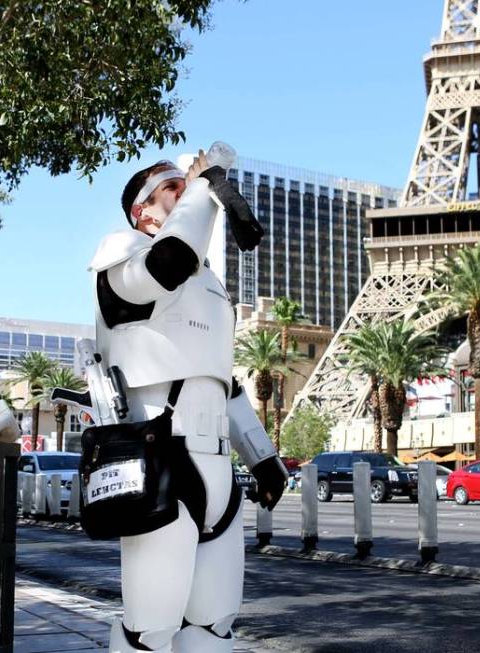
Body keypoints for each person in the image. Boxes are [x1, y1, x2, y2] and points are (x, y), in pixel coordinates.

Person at [90, 151, 286, 652]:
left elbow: (222, 381)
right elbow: (167, 263)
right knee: (151, 630)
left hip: (217, 466)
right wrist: (202, 188)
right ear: (142, 210)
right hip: (159, 456)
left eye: (185, 186)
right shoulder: (124, 256)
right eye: (171, 188)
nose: (186, 190)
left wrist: (263, 458)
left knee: (215, 625)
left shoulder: (207, 282)